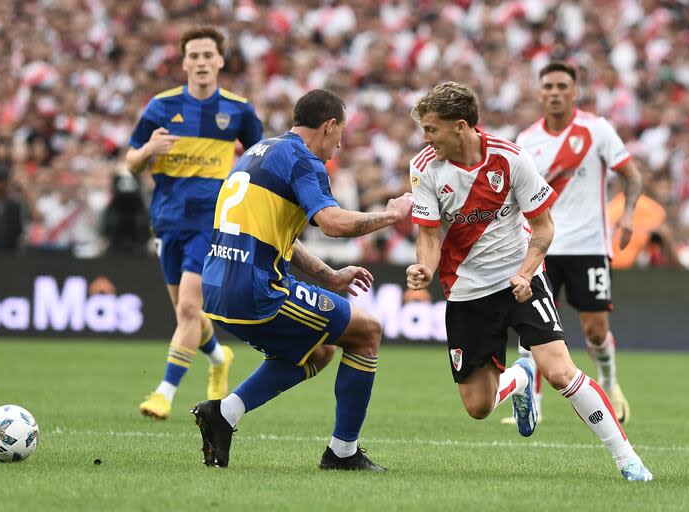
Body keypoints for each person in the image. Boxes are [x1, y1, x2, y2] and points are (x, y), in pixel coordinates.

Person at [405, 81, 652, 481]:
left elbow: (543, 228)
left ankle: (628, 459)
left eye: (432, 129)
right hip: (466, 291)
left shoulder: (511, 159)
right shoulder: (423, 168)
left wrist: (525, 271)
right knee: (478, 407)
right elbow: (429, 236)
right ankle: (521, 378)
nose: (425, 138)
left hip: (521, 280)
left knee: (560, 371)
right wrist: (425, 270)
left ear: (461, 126)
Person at [191, 89, 413, 470]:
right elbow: (331, 223)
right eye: (340, 133)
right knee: (367, 332)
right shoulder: (303, 161)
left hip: (215, 288)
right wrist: (390, 215)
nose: (339, 144)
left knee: (320, 349)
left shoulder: (259, 152)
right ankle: (343, 453)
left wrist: (328, 275)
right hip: (257, 290)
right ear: (329, 126)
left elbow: (277, 236)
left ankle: (224, 413)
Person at [126, 26, 264, 419]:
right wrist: (150, 149)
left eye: (208, 55)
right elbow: (130, 162)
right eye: (195, 56)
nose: (202, 62)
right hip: (168, 220)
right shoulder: (160, 107)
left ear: (220, 61)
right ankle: (219, 358)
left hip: (212, 222)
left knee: (189, 307)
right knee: (186, 313)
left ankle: (164, 392)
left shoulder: (238, 109)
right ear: (184, 62)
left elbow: (259, 158)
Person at [508, 61, 643, 424]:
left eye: (561, 86)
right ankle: (530, 401)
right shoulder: (526, 140)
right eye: (548, 86)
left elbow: (632, 177)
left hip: (589, 246)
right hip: (541, 246)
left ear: (574, 91)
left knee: (595, 330)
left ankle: (610, 382)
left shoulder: (596, 129)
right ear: (539, 93)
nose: (554, 93)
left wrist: (628, 214)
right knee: (531, 327)